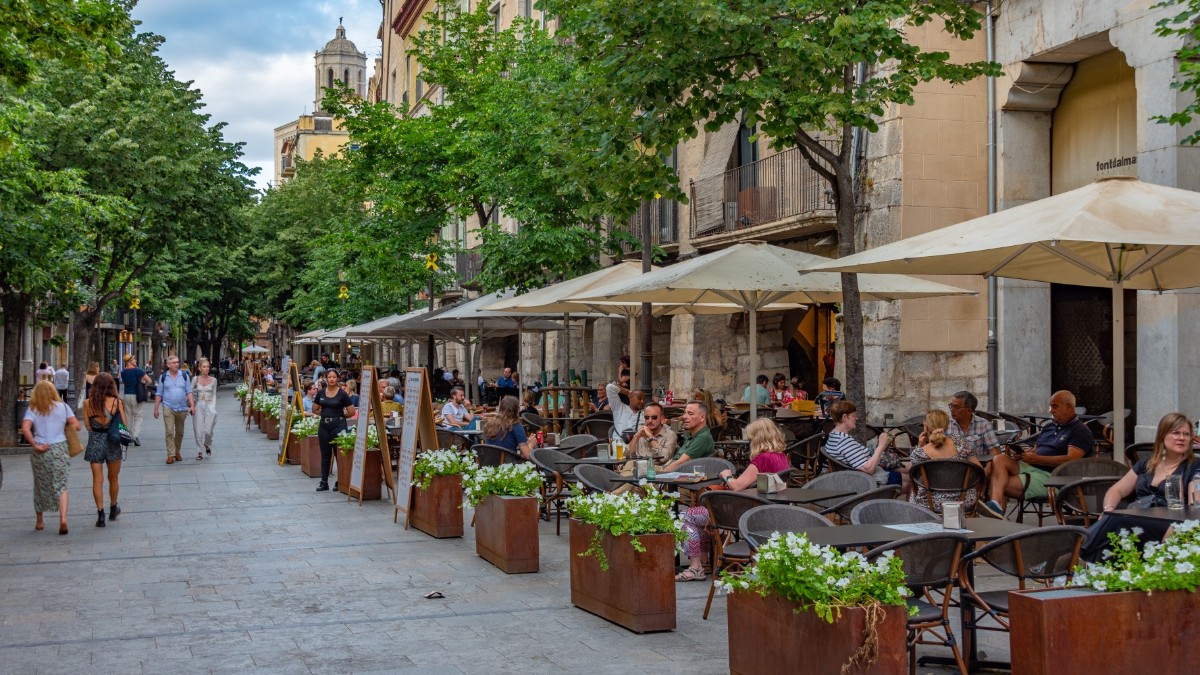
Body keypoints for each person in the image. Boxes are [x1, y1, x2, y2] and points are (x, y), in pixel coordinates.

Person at [676, 418, 791, 582]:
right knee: (697, 518)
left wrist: (726, 475)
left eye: (751, 439)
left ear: (758, 439)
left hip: (743, 516)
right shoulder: (782, 458)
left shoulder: (763, 459)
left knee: (687, 515)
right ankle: (703, 562)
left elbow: (737, 486)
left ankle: (695, 567)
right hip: (767, 512)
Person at [1080, 413, 1200, 562]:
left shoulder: (1194, 466)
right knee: (1112, 525)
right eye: (1176, 433)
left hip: (1167, 523)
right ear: (1163, 435)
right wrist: (1108, 508)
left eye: (1186, 434)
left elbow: (1195, 505)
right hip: (1137, 517)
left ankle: (1078, 550)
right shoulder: (1147, 463)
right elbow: (1116, 490)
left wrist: (1178, 526)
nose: (1181, 438)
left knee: (1118, 521)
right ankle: (1097, 572)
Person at [980, 390, 1094, 519]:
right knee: (999, 459)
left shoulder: (1080, 430)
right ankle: (996, 505)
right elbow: (1036, 449)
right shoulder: (1049, 427)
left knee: (999, 482)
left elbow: (1071, 460)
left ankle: (997, 514)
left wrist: (1037, 459)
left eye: (1055, 406)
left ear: (1069, 406)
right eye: (1050, 406)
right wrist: (1024, 454)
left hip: (1053, 476)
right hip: (1033, 465)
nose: (1050, 410)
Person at [21, 380, 79, 534]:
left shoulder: (33, 408)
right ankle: (63, 518)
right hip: (60, 449)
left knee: (40, 485)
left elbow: (25, 428)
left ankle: (40, 521)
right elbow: (76, 426)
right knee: (61, 485)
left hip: (41, 450)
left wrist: (34, 444)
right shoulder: (63, 407)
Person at [906, 409, 982, 513]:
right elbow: (979, 470)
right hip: (963, 501)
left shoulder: (919, 453)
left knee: (913, 494)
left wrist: (920, 446)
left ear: (926, 426)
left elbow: (911, 476)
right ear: (946, 425)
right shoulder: (960, 442)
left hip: (930, 503)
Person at [83, 373, 125, 527]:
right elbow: (123, 425)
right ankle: (113, 507)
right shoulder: (116, 402)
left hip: (95, 442)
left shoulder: (88, 403)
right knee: (113, 478)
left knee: (97, 480)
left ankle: (100, 514)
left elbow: (87, 426)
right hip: (112, 442)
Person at [824, 400, 893, 482]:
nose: (856, 418)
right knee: (908, 477)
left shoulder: (834, 435)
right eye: (854, 415)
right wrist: (881, 446)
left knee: (903, 469)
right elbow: (868, 469)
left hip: (854, 477)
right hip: (865, 482)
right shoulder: (843, 441)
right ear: (845, 417)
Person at [312, 369, 354, 491]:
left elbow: (351, 412)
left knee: (338, 454)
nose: (331, 379)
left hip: (338, 426)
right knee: (325, 454)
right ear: (325, 378)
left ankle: (340, 481)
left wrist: (340, 417)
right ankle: (324, 481)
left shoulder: (342, 394)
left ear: (338, 379)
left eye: (334, 377)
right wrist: (325, 414)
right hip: (324, 426)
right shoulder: (320, 393)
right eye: (329, 377)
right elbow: (315, 409)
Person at [152, 356, 194, 465]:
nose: (176, 364)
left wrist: (192, 406)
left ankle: (177, 451)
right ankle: (170, 454)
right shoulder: (164, 377)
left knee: (180, 432)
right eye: (174, 363)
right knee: (169, 431)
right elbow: (159, 393)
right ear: (168, 365)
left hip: (182, 408)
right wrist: (156, 408)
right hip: (168, 407)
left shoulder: (184, 376)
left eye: (177, 362)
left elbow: (189, 391)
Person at [663, 401, 717, 472]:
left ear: (702, 417)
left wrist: (658, 474)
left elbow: (681, 463)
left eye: (690, 414)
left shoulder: (702, 438)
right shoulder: (695, 435)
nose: (684, 417)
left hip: (680, 477)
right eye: (685, 413)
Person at [948, 390, 1001, 458]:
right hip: (953, 466)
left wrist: (988, 466)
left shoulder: (984, 424)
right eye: (951, 406)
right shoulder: (946, 424)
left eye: (956, 407)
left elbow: (994, 452)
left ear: (969, 410)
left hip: (977, 466)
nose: (952, 410)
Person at [627, 401, 678, 468]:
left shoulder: (670, 435)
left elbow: (664, 458)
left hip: (656, 472)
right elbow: (627, 456)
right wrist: (636, 437)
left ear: (662, 419)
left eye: (654, 417)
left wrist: (651, 437)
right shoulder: (640, 432)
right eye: (647, 417)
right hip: (635, 468)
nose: (650, 421)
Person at [120, 354, 152, 446]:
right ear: (130, 361)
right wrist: (143, 385)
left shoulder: (123, 372)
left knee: (128, 416)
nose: (135, 361)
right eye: (134, 360)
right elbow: (149, 380)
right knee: (138, 416)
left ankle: (129, 436)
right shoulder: (138, 370)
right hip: (136, 396)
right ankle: (135, 435)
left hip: (126, 395)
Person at [192, 358, 218, 460]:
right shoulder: (195, 379)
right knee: (198, 430)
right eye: (204, 367)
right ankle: (199, 451)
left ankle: (207, 444)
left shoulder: (214, 380)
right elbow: (190, 392)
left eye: (208, 367)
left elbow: (214, 395)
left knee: (208, 431)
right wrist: (191, 405)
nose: (206, 369)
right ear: (199, 368)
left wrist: (213, 407)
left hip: (210, 405)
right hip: (199, 405)